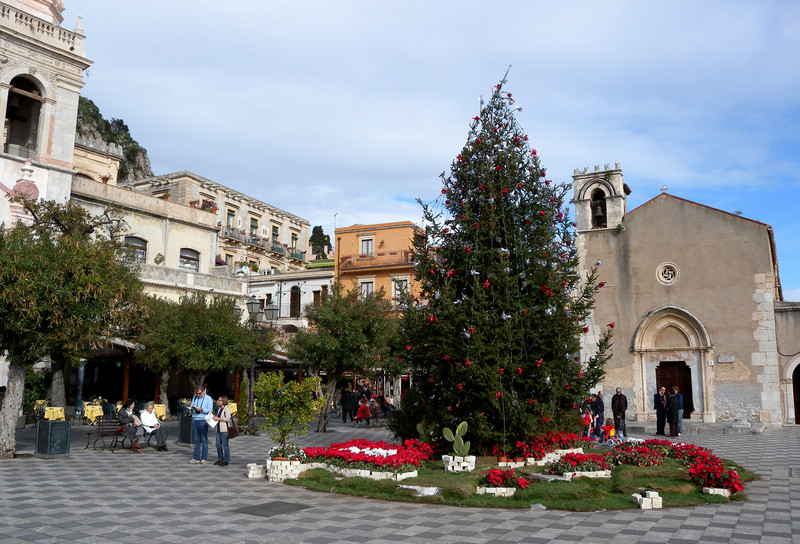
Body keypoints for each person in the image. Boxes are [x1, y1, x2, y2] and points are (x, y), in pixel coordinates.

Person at [188, 385, 213, 464]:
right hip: (195, 419)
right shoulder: (195, 397)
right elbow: (192, 405)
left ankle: (204, 458)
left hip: (203, 420)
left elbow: (209, 409)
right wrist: (191, 408)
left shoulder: (208, 398)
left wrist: (201, 409)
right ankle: (196, 457)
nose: (198, 395)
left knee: (204, 439)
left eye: (199, 393)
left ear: (203, 392)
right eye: (197, 393)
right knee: (196, 440)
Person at [212, 395, 232, 466]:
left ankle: (226, 460)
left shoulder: (226, 409)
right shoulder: (219, 409)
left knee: (225, 445)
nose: (218, 401)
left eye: (219, 400)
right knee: (218, 445)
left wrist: (218, 419)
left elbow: (228, 418)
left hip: (224, 430)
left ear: (223, 401)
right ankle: (220, 459)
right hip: (218, 429)